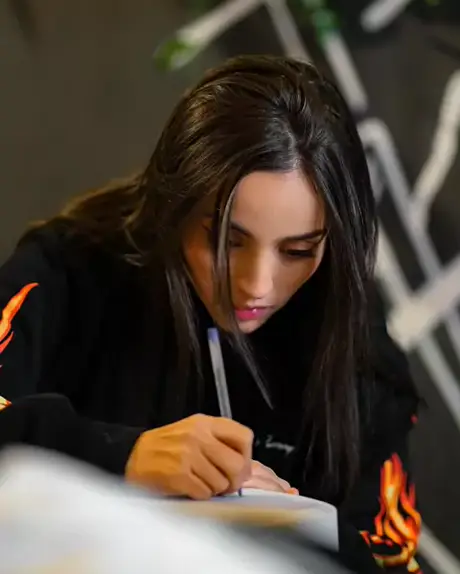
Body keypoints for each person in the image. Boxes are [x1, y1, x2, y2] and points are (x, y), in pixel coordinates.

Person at [0, 55, 421, 572]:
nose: (256, 285)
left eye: (297, 251)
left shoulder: (353, 340)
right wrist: (122, 456)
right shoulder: (71, 269)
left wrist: (294, 529)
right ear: (173, 204)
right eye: (226, 240)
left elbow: (391, 554)